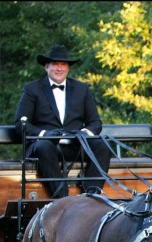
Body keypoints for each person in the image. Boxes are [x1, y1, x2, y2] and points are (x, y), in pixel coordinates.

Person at [14, 44, 110, 198]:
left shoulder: (82, 89)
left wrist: (83, 133)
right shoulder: (32, 89)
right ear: (46, 67)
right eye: (55, 64)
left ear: (68, 68)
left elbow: (95, 123)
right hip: (46, 147)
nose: (59, 68)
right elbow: (20, 124)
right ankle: (61, 197)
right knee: (44, 146)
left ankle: (93, 194)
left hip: (74, 145)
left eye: (63, 64)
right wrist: (46, 134)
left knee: (103, 145)